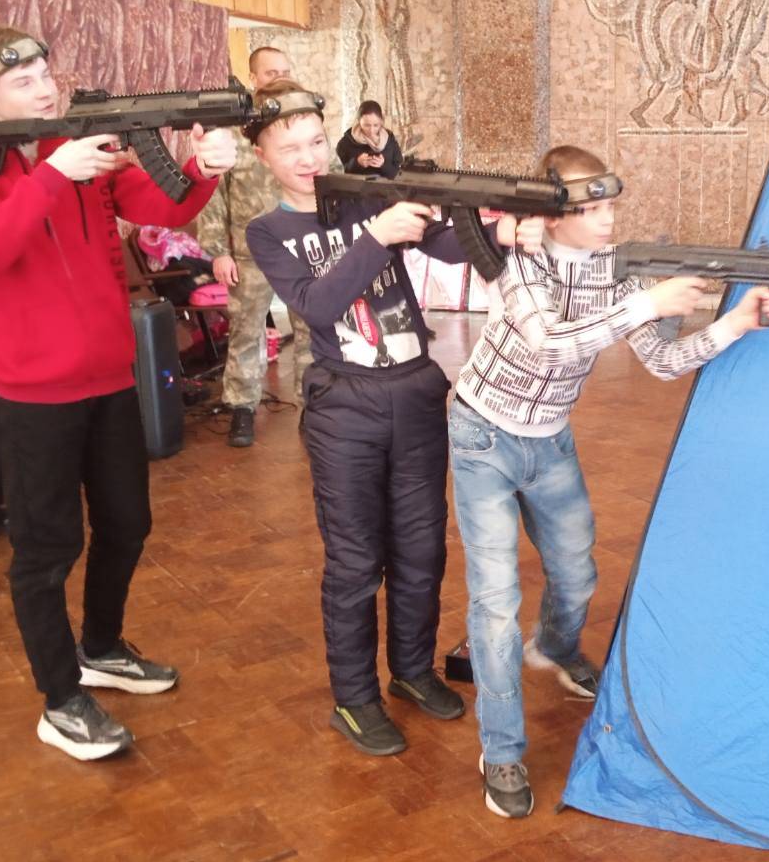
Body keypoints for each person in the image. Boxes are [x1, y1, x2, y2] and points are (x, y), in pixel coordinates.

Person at [449, 144, 769, 818]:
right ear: (552, 213)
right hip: (483, 437)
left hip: (550, 438)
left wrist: (736, 321)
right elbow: (549, 341)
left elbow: (662, 362)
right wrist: (647, 304)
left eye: (611, 206)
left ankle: (553, 648)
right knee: (494, 604)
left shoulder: (620, 271)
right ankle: (503, 750)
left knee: (577, 575)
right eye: (592, 208)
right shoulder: (519, 258)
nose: (607, 219)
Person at [0, 24, 238, 761]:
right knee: (47, 549)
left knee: (128, 524)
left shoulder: (78, 148)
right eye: (24, 80)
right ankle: (61, 699)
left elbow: (165, 207)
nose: (45, 88)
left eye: (45, 73)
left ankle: (101, 647)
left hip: (108, 377)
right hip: (34, 391)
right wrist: (51, 175)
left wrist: (202, 167)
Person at [245, 79, 537, 757]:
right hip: (344, 407)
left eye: (316, 141)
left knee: (422, 548)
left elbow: (448, 246)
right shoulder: (269, 231)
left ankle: (411, 670)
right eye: (289, 149)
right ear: (262, 156)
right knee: (355, 561)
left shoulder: (367, 196)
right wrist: (377, 236)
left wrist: (504, 230)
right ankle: (354, 699)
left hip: (415, 393)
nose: (309, 158)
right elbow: (318, 305)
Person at [196, 45, 317, 447]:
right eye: (270, 73)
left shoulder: (305, 130)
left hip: (302, 250)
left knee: (311, 333)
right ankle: (242, 408)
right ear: (253, 79)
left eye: (284, 71)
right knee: (246, 332)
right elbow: (213, 195)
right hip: (249, 255)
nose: (279, 78)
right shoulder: (232, 136)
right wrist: (218, 251)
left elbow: (327, 185)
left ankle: (312, 407)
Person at [335, 101, 404, 176]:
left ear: (381, 121)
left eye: (376, 125)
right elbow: (338, 172)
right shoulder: (346, 141)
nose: (371, 130)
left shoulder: (390, 140)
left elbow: (397, 173)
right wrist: (357, 163)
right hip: (355, 183)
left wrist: (383, 165)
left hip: (384, 183)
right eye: (367, 125)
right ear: (359, 121)